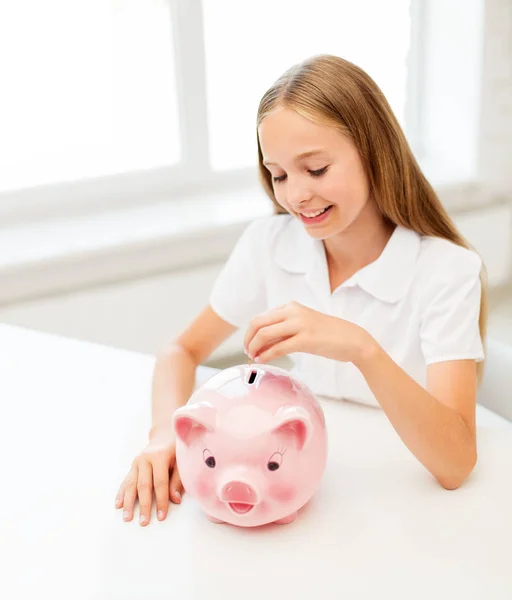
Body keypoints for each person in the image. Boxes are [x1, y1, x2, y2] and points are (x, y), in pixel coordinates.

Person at [115, 54, 487, 526]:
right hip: (314, 488)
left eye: (315, 169)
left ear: (374, 153)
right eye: (279, 174)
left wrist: (360, 347)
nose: (295, 196)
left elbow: (456, 465)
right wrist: (163, 434)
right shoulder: (269, 245)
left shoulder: (446, 270)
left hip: (410, 506)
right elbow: (181, 349)